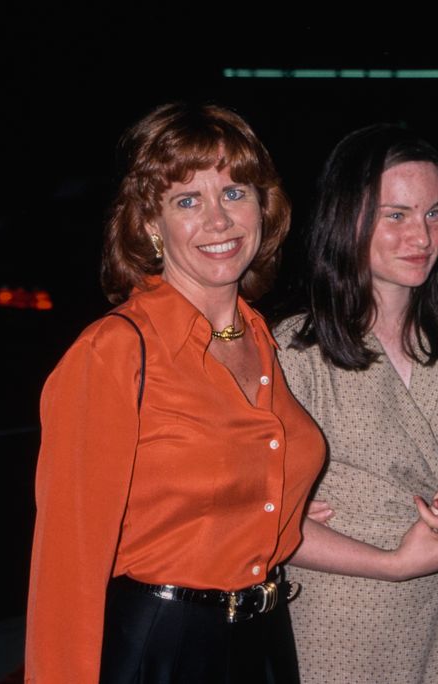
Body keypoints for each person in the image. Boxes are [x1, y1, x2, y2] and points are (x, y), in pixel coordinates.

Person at [25, 103, 326, 683]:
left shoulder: (259, 336)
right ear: (149, 225)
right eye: (188, 201)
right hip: (162, 649)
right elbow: (67, 567)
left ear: (264, 206)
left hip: (264, 639)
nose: (219, 220)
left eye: (235, 193)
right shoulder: (113, 352)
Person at [275, 124, 438, 684]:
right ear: (347, 218)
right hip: (336, 615)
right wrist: (394, 564)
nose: (421, 236)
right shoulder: (292, 350)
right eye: (395, 215)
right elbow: (264, 523)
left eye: (434, 213)